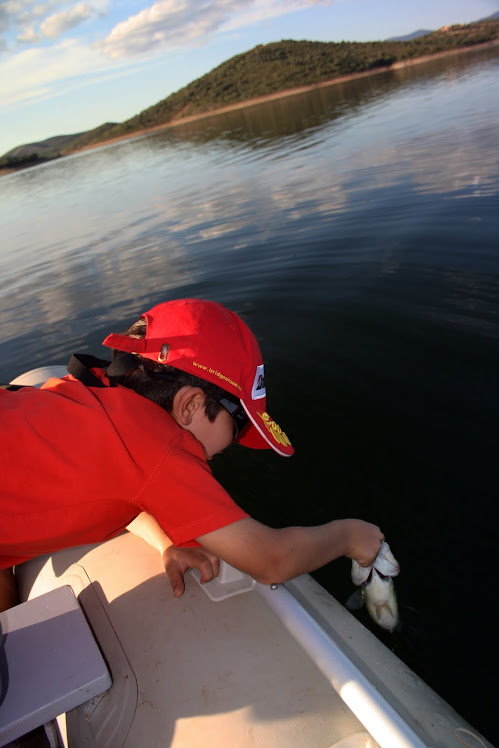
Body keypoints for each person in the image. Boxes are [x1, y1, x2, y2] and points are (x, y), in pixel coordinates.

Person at [0, 298, 383, 612]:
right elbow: (271, 560)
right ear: (190, 406)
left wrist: (165, 541)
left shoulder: (94, 392)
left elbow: (123, 482)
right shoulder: (161, 445)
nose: (225, 449)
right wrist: (350, 536)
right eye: (235, 430)